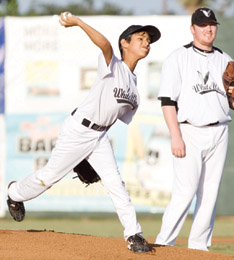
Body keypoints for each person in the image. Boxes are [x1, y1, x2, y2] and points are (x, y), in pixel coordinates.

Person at [6, 12, 161, 253]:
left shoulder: (134, 88)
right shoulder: (114, 65)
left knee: (115, 183)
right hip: (78, 129)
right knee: (49, 177)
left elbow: (112, 118)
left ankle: (134, 234)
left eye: (148, 40)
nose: (146, 43)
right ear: (125, 43)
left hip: (98, 137)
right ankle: (14, 192)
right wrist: (78, 22)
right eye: (141, 38)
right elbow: (105, 44)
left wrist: (91, 151)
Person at [155, 7, 234, 251]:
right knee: (185, 192)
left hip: (219, 130)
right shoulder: (178, 58)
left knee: (209, 194)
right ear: (192, 29)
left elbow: (232, 103)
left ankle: (199, 248)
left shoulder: (224, 59)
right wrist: (175, 135)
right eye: (203, 24)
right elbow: (167, 101)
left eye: (212, 24)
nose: (209, 29)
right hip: (189, 130)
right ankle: (164, 243)